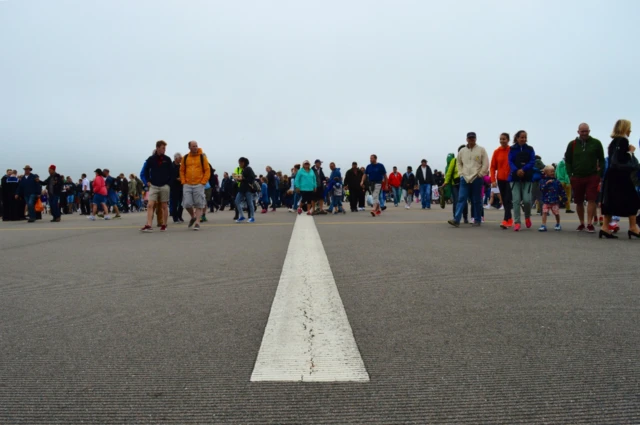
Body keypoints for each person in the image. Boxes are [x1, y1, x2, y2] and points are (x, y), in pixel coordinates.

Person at [600, 119, 640, 239]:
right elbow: (620, 160)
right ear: (624, 128)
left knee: (610, 201)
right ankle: (633, 227)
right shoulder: (622, 141)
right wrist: (631, 152)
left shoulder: (613, 142)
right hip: (621, 175)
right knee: (633, 200)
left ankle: (605, 227)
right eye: (629, 127)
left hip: (612, 174)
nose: (630, 130)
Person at [564, 123, 605, 233]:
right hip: (576, 177)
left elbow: (602, 159)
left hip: (592, 176)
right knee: (579, 201)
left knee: (591, 199)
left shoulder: (596, 143)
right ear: (578, 132)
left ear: (589, 131)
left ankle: (590, 223)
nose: (584, 133)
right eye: (582, 131)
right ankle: (582, 223)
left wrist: (599, 174)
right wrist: (570, 174)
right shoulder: (572, 144)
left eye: (586, 131)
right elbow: (567, 160)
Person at [447, 132, 489, 227]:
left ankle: (477, 219)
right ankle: (456, 219)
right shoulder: (462, 151)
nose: (471, 140)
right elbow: (459, 163)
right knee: (461, 199)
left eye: (473, 138)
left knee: (476, 199)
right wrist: (461, 173)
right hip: (464, 178)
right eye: (469, 138)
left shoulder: (481, 150)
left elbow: (485, 163)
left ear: (475, 139)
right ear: (466, 139)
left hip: (476, 178)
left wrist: (481, 174)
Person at [139, 140, 173, 232]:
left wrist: (168, 183)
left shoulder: (167, 159)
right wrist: (147, 181)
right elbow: (145, 170)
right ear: (157, 148)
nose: (164, 150)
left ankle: (164, 224)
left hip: (164, 185)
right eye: (163, 148)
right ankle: (149, 224)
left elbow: (172, 172)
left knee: (164, 206)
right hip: (153, 185)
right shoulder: (151, 159)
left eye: (165, 148)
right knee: (150, 205)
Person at [508, 130, 536, 232]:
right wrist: (516, 170)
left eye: (525, 137)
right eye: (521, 137)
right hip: (514, 178)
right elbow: (510, 161)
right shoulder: (512, 149)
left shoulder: (529, 149)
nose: (523, 139)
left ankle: (527, 216)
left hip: (527, 177)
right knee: (516, 201)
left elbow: (532, 161)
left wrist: (523, 170)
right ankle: (517, 222)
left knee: (527, 200)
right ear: (517, 138)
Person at [180, 140, 210, 230]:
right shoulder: (185, 158)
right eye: (193, 146)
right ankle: (193, 216)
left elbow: (207, 170)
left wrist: (203, 182)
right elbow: (181, 170)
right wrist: (183, 181)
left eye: (196, 146)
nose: (195, 147)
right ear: (189, 147)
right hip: (187, 184)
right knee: (187, 203)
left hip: (199, 184)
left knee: (199, 204)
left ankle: (197, 222)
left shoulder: (202, 157)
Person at [491, 133, 513, 228]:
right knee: (504, 200)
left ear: (508, 140)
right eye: (501, 139)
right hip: (500, 179)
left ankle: (505, 220)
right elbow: (492, 167)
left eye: (504, 139)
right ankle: (510, 219)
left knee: (508, 199)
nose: (502, 141)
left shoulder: (511, 150)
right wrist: (493, 180)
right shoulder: (497, 152)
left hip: (510, 179)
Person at [538, 165, 567, 232]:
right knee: (544, 212)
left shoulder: (557, 181)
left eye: (553, 171)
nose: (552, 173)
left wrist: (564, 197)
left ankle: (558, 224)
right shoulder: (542, 181)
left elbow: (561, 190)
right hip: (546, 201)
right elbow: (541, 189)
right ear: (546, 173)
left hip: (555, 201)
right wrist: (546, 184)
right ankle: (543, 225)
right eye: (551, 171)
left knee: (556, 213)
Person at [234, 157, 256, 223]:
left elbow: (252, 178)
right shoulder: (244, 170)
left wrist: (242, 179)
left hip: (248, 189)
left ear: (243, 162)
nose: (239, 164)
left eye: (240, 163)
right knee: (237, 201)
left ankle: (252, 217)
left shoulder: (248, 169)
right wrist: (239, 179)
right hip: (242, 188)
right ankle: (242, 216)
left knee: (250, 203)